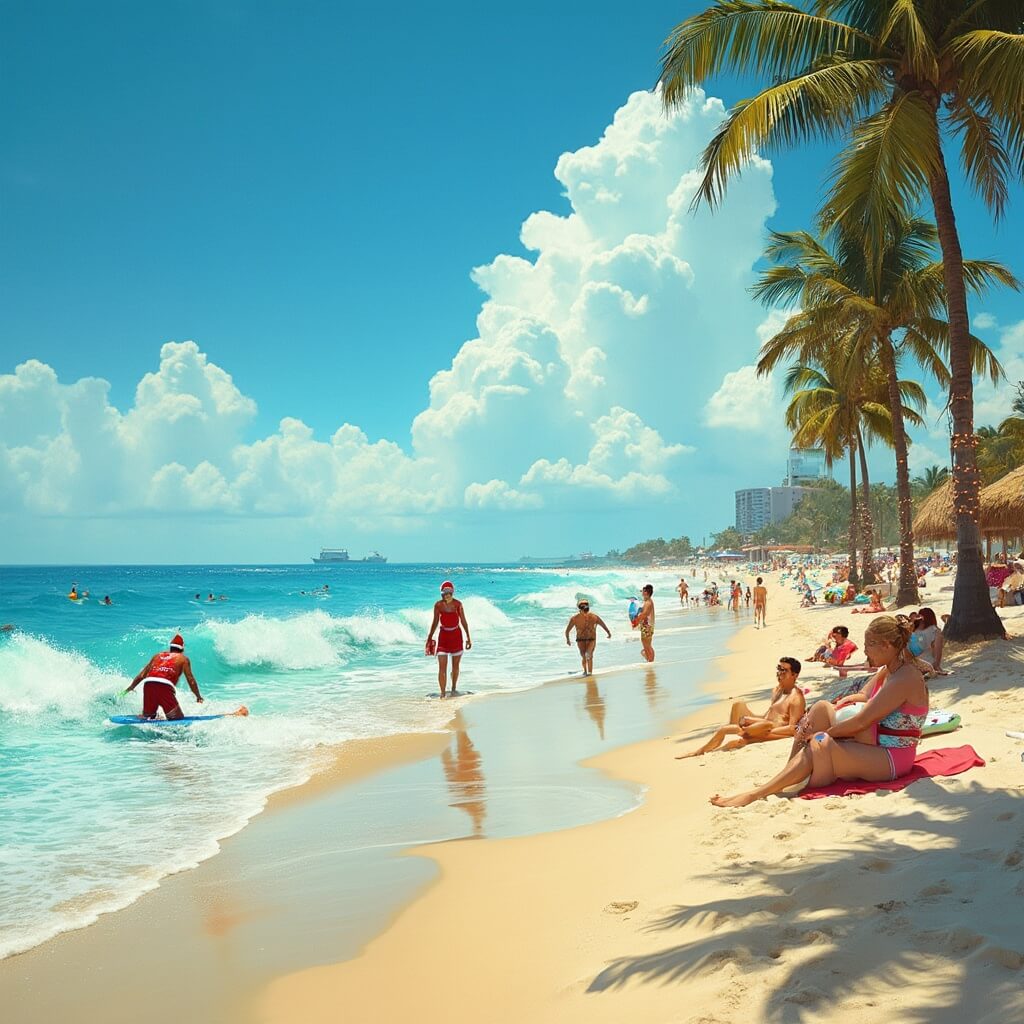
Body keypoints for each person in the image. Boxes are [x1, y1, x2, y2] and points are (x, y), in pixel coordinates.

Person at [710, 616, 929, 807]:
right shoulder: (889, 671)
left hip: (893, 758)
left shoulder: (905, 678)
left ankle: (757, 793)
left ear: (886, 645)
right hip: (875, 741)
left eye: (869, 644)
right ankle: (789, 773)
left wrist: (826, 733)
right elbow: (864, 694)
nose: (865, 650)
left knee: (821, 742)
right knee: (821, 708)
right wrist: (847, 701)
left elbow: (862, 721)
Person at [676, 657, 805, 758]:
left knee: (727, 730)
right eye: (778, 668)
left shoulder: (796, 698)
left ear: (795, 675)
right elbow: (770, 714)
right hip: (764, 724)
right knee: (739, 705)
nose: (779, 673)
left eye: (784, 670)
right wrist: (752, 720)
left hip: (771, 729)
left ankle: (700, 751)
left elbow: (792, 728)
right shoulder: (778, 690)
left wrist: (767, 730)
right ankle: (733, 735)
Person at [123, 634, 204, 720]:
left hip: (149, 684)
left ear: (170, 647)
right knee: (176, 719)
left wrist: (131, 687)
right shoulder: (183, 659)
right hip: (164, 686)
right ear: (182, 648)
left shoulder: (157, 656)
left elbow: (142, 675)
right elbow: (191, 680)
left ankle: (146, 718)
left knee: (148, 717)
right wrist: (198, 696)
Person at [426, 581, 472, 697]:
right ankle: (442, 694)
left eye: (449, 592)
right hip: (443, 637)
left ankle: (453, 688)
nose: (447, 595)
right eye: (445, 592)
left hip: (456, 636)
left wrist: (468, 637)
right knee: (442, 667)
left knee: (455, 666)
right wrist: (429, 637)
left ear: (452, 592)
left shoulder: (458, 604)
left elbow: (463, 621)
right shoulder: (438, 605)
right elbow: (435, 622)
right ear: (442, 594)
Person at [565, 598, 611, 676]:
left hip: (591, 639)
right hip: (580, 640)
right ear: (579, 608)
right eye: (583, 607)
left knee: (588, 655)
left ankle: (590, 673)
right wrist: (568, 639)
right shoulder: (574, 619)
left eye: (586, 606)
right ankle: (585, 671)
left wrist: (608, 632)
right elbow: (567, 631)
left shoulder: (594, 617)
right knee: (583, 656)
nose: (585, 608)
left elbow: (603, 624)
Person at [909, 607, 947, 674]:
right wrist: (937, 666)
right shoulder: (934, 630)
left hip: (912, 665)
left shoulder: (913, 631)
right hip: (928, 663)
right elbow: (938, 650)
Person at [632, 584, 656, 662]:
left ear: (646, 593)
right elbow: (644, 612)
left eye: (643, 591)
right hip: (648, 626)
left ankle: (650, 660)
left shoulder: (648, 603)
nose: (641, 593)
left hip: (647, 626)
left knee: (646, 645)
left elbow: (644, 614)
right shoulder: (648, 601)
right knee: (647, 645)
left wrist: (636, 622)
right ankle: (650, 660)